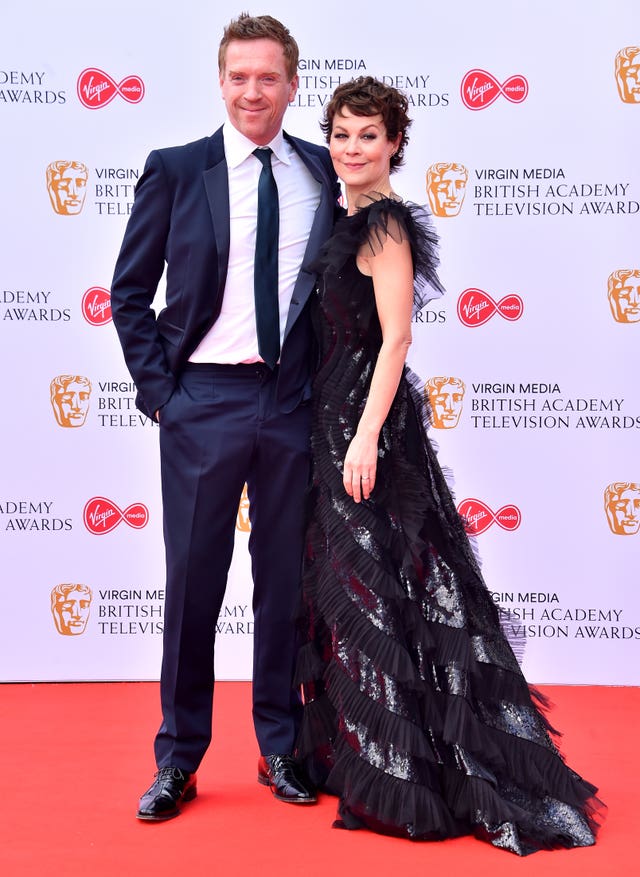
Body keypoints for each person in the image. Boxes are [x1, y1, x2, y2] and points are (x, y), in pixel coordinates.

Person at [295, 76, 603, 855]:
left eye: (367, 135)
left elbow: (396, 340)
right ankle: (372, 755)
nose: (350, 148)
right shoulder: (344, 216)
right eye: (340, 133)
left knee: (388, 586)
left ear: (395, 142)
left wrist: (365, 436)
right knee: (361, 590)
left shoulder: (386, 225)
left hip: (367, 431)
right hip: (329, 424)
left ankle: (416, 773)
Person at [110, 13, 340, 821]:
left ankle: (281, 746)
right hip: (201, 402)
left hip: (290, 405)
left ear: (291, 83)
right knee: (193, 588)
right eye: (239, 75)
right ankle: (178, 758)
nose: (253, 90)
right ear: (220, 79)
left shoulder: (322, 171)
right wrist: (163, 398)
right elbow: (128, 294)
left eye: (268, 77)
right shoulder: (176, 170)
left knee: (283, 586)